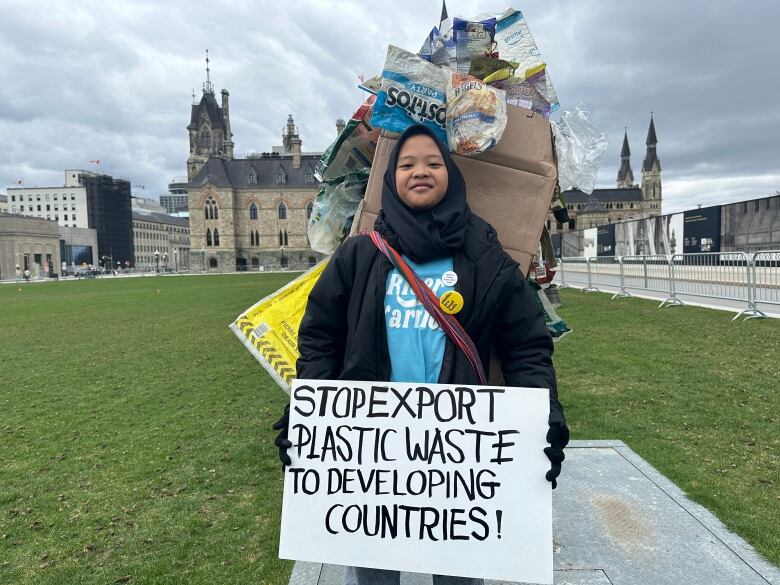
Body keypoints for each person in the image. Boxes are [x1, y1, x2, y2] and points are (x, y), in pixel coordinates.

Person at [273, 124, 568, 584]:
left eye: (433, 162)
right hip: (371, 456)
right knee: (374, 576)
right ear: (391, 179)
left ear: (451, 174)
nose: (420, 171)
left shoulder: (485, 256)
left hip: (459, 459)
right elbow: (320, 340)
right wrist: (306, 414)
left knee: (458, 577)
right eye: (407, 164)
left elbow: (525, 345)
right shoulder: (358, 256)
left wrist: (545, 417)